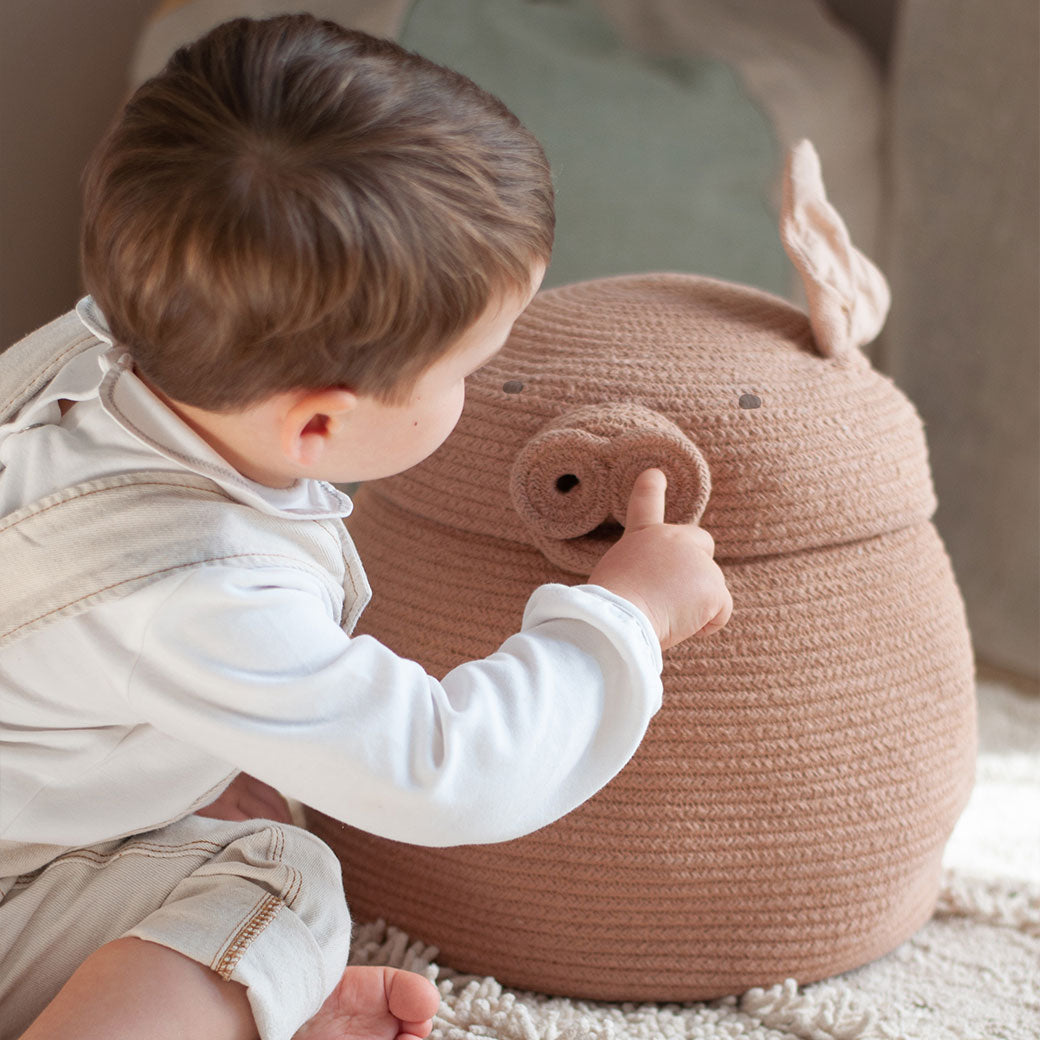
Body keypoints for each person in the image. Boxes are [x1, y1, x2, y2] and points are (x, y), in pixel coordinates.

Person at [0, 14, 732, 1040]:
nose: (477, 386)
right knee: (278, 881)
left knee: (225, 815)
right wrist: (625, 616)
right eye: (467, 370)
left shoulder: (79, 356)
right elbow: (444, 767)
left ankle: (209, 996)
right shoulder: (203, 583)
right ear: (318, 425)